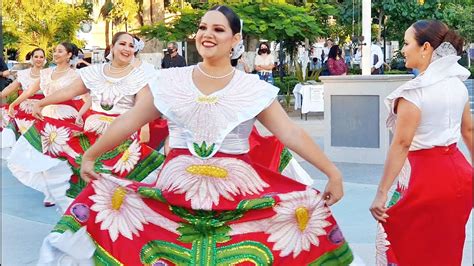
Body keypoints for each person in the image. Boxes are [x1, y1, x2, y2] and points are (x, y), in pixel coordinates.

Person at [38, 5, 353, 265]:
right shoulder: (169, 82)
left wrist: (332, 171)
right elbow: (132, 120)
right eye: (203, 27)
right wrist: (92, 154)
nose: (207, 34)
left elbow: (290, 132)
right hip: (175, 193)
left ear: (235, 39)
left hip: (236, 196)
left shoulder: (253, 88)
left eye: (218, 29)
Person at [370, 20, 472, 265]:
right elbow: (468, 130)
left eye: (406, 44)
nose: (403, 50)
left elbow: (402, 144)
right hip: (459, 176)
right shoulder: (458, 86)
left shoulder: (414, 93)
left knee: (395, 243)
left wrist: (381, 192)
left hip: (423, 179)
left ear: (425, 48)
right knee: (445, 248)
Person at [28, 32, 166, 213]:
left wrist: (145, 126)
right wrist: (41, 102)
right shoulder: (93, 72)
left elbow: (143, 106)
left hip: (121, 135)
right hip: (91, 134)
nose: (126, 48)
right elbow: (68, 91)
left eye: (131, 46)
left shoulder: (140, 76)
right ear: (113, 47)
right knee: (86, 183)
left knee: (113, 188)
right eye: (122, 44)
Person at [6, 42, 85, 208]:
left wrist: (81, 114)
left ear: (69, 55)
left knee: (59, 158)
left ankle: (57, 192)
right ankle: (49, 190)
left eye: (60, 51)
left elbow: (88, 99)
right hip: (44, 117)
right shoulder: (46, 73)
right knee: (34, 154)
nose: (55, 53)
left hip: (65, 119)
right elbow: (29, 92)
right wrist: (14, 104)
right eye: (54, 51)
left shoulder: (75, 75)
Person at [1, 48, 46, 159]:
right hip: (23, 108)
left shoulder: (49, 74)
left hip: (42, 108)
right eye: (36, 56)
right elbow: (10, 88)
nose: (38, 59)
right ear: (31, 58)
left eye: (41, 57)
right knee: (9, 120)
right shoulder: (23, 74)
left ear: (44, 59)